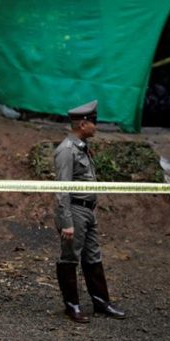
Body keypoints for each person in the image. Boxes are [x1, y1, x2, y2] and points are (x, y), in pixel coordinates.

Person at [54, 100, 125, 323]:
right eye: (93, 122)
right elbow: (61, 189)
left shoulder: (82, 147)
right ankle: (72, 305)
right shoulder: (66, 151)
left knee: (93, 256)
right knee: (70, 257)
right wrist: (66, 221)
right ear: (83, 124)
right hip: (74, 210)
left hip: (88, 211)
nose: (96, 126)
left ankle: (101, 302)